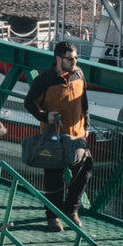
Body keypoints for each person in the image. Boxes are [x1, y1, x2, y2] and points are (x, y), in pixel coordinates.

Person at [24, 41, 93, 232]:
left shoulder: (79, 74)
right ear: (58, 59)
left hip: (78, 136)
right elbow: (29, 103)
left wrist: (86, 125)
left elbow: (84, 101)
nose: (74, 62)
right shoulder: (44, 80)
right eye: (70, 59)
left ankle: (71, 211)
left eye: (76, 58)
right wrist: (44, 116)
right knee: (53, 179)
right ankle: (52, 217)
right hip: (53, 138)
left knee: (85, 171)